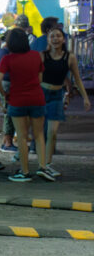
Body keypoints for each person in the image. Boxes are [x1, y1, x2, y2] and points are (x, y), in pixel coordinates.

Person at [0, 28, 51, 182]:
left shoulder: (8, 59)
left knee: (21, 136)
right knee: (39, 135)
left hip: (17, 100)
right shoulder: (36, 56)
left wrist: (4, 94)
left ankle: (25, 172)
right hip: (37, 98)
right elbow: (40, 78)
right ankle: (43, 167)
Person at [41, 25, 90, 177]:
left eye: (58, 36)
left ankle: (47, 164)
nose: (55, 39)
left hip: (56, 96)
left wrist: (85, 98)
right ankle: (42, 164)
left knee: (52, 132)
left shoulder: (70, 57)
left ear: (63, 39)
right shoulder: (42, 55)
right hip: (41, 94)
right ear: (48, 40)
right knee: (40, 132)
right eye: (52, 36)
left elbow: (77, 79)